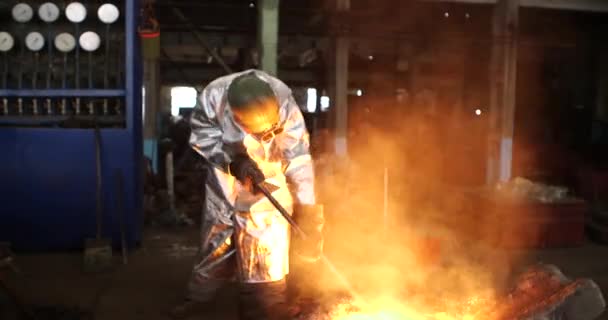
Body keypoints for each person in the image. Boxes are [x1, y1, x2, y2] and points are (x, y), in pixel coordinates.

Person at [171, 70, 324, 320]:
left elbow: (298, 158)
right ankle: (200, 298)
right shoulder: (213, 98)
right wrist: (233, 162)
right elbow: (203, 137)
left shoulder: (284, 101)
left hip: (270, 172)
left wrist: (308, 209)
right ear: (237, 119)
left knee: (264, 239)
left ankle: (266, 300)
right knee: (217, 236)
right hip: (226, 171)